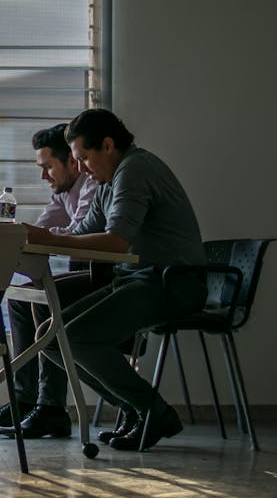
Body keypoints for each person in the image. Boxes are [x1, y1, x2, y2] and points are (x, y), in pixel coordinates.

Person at [24, 108, 207, 451]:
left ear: (108, 145)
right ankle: (136, 409)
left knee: (74, 338)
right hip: (137, 279)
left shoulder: (135, 170)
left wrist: (46, 239)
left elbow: (115, 241)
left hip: (172, 282)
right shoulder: (107, 182)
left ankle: (152, 411)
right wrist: (35, 237)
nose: (81, 169)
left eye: (84, 158)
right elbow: (81, 233)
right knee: (49, 339)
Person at [0, 123, 101, 438]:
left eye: (48, 167)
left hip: (107, 278)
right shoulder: (62, 193)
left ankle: (51, 407)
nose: (44, 176)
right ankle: (24, 401)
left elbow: (77, 231)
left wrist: (39, 235)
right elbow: (42, 230)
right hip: (83, 273)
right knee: (19, 299)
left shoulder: (91, 186)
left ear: (71, 161)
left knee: (46, 299)